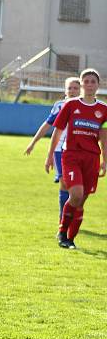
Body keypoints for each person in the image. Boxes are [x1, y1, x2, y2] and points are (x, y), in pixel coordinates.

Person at [47, 68, 107, 249]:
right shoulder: (71, 105)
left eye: (93, 82)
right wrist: (50, 156)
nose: (89, 85)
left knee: (81, 201)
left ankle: (70, 239)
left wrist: (105, 160)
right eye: (86, 81)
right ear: (81, 84)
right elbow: (57, 131)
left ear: (98, 85)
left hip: (92, 159)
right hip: (71, 155)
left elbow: (104, 137)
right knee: (76, 194)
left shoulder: (104, 110)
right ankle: (62, 232)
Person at [24, 76, 81, 218]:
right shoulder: (60, 106)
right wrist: (33, 143)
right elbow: (47, 125)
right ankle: (64, 217)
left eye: (75, 88)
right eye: (70, 88)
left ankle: (72, 215)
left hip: (79, 151)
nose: (72, 91)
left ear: (81, 90)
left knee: (77, 187)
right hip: (59, 150)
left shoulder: (84, 106)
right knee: (65, 183)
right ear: (65, 90)